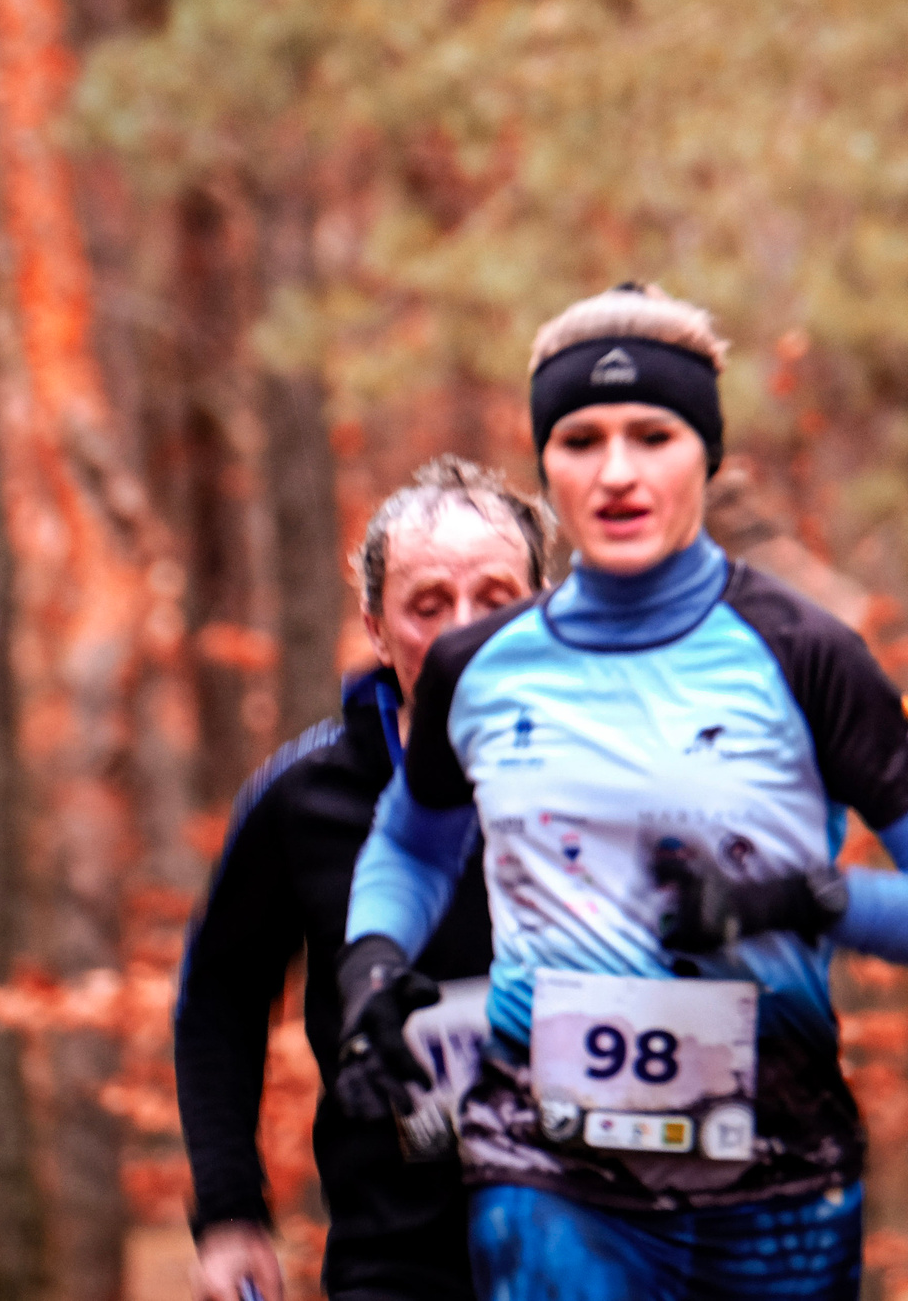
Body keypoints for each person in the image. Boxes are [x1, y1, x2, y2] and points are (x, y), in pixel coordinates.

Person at [338, 285, 908, 1301]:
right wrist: (372, 960)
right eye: (580, 439)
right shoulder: (475, 668)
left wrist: (803, 898)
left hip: (777, 1180)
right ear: (546, 464)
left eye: (652, 435)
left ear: (705, 452)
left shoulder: (806, 654)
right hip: (543, 1169)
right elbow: (411, 842)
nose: (615, 472)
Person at [177, 458, 552, 1301]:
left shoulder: (624, 776)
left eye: (496, 598)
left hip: (618, 1242)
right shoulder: (306, 796)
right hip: (398, 1253)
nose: (464, 630)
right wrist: (229, 1210)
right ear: (377, 627)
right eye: (428, 604)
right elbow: (219, 996)